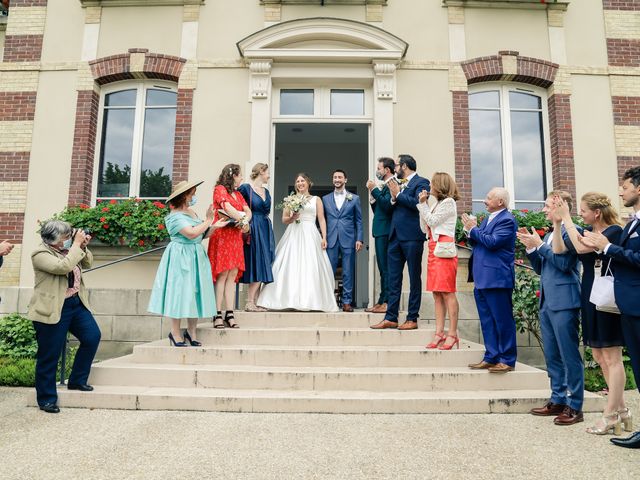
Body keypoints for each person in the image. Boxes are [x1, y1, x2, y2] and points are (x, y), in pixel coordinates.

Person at [551, 192, 627, 435]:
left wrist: (567, 219)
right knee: (599, 354)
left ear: (597, 212)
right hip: (590, 294)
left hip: (607, 297)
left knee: (611, 356)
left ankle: (610, 415)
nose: (580, 214)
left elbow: (583, 249)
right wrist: (558, 223)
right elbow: (563, 248)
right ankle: (623, 411)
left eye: (583, 210)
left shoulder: (613, 232)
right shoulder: (586, 229)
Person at [581, 166, 640, 448]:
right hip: (623, 303)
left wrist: (606, 248)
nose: (621, 191)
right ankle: (627, 417)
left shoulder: (621, 228)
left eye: (626, 186)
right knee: (633, 367)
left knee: (620, 360)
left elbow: (635, 259)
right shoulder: (631, 224)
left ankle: (615, 414)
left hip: (633, 302)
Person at [518, 191, 584, 426]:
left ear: (560, 206)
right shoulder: (549, 235)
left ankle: (575, 405)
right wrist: (531, 248)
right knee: (553, 356)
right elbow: (541, 268)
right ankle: (557, 398)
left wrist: (541, 246)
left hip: (565, 300)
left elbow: (565, 265)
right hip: (547, 300)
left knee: (569, 356)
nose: (544, 210)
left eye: (547, 206)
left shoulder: (572, 231)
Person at [27, 220, 101, 413]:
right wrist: (75, 245)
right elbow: (63, 268)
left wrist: (82, 245)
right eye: (65, 237)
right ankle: (46, 399)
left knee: (92, 337)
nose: (69, 239)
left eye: (70, 236)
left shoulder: (70, 249)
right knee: (49, 354)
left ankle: (77, 380)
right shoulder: (40, 254)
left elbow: (87, 262)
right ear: (53, 239)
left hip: (76, 303)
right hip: (52, 308)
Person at [148, 180, 228, 346]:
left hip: (196, 255)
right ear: (184, 196)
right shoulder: (174, 217)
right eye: (192, 193)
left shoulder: (191, 212)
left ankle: (192, 331)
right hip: (180, 256)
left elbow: (201, 235)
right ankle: (175, 332)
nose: (194, 196)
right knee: (178, 293)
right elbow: (191, 233)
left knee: (195, 292)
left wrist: (214, 226)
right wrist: (208, 220)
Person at [257, 173, 338, 312]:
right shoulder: (291, 199)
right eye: (298, 181)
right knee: (290, 262)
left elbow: (322, 219)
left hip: (311, 233)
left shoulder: (316, 199)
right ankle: (284, 299)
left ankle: (312, 300)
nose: (300, 183)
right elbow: (284, 219)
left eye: (302, 181)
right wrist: (293, 217)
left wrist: (324, 237)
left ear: (308, 182)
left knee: (311, 264)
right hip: (294, 232)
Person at [371, 154, 430, 330]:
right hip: (394, 236)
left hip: (412, 236)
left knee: (413, 278)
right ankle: (391, 317)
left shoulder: (422, 182)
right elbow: (389, 207)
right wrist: (390, 196)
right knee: (394, 278)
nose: (395, 168)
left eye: (397, 165)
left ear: (404, 166)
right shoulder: (396, 183)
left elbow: (418, 204)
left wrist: (398, 194)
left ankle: (412, 318)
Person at [461, 188, 517, 373]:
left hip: (497, 278)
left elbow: (492, 242)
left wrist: (473, 229)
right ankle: (491, 356)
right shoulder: (488, 218)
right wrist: (470, 232)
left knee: (502, 320)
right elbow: (479, 243)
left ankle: (507, 359)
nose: (484, 201)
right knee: (487, 320)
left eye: (488, 197)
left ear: (500, 201)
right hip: (482, 278)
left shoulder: (507, 220)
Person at [418, 172, 460, 350]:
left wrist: (422, 206)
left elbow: (433, 221)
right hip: (433, 250)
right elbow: (424, 227)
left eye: (432, 184)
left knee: (447, 292)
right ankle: (439, 332)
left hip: (444, 251)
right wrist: (425, 206)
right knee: (436, 293)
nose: (429, 188)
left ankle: (452, 333)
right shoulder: (436, 205)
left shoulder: (449, 203)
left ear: (439, 185)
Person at [208, 164, 252, 329]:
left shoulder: (239, 194)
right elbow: (226, 207)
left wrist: (245, 219)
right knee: (223, 274)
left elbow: (248, 211)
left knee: (233, 274)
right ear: (233, 175)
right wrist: (243, 219)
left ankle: (230, 313)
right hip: (222, 234)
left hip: (235, 236)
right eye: (240, 175)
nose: (242, 178)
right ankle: (217, 313)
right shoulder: (219, 189)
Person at [322, 169, 364, 312]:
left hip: (349, 239)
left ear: (345, 180)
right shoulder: (325, 199)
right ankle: (328, 300)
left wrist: (359, 239)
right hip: (331, 239)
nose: (337, 179)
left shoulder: (354, 198)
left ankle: (347, 302)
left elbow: (359, 221)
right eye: (335, 177)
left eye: (340, 177)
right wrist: (322, 237)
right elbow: (321, 220)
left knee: (348, 271)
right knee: (329, 270)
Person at [238, 163, 276, 312]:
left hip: (265, 228)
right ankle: (249, 301)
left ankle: (257, 301)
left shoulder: (266, 191)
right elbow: (237, 206)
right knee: (256, 262)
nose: (269, 175)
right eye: (267, 172)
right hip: (253, 227)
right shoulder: (246, 189)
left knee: (264, 261)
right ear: (261, 172)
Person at [365, 157, 395, 314]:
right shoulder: (384, 185)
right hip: (380, 229)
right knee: (382, 268)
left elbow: (387, 206)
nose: (377, 171)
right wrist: (373, 196)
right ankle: (381, 300)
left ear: (387, 170)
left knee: (386, 269)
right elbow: (379, 209)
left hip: (386, 231)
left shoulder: (393, 184)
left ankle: (387, 302)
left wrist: (374, 189)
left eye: (379, 168)